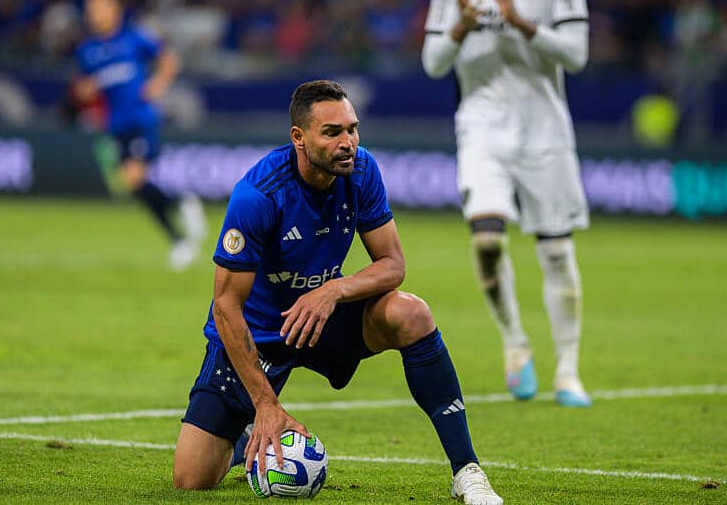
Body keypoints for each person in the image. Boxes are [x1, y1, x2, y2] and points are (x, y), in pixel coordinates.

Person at [172, 80, 504, 505]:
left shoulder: (361, 171)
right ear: (299, 138)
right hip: (256, 334)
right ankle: (247, 437)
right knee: (191, 478)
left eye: (352, 129)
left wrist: (332, 290)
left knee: (412, 315)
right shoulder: (257, 196)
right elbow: (226, 306)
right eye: (332, 133)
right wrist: (265, 404)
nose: (347, 142)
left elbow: (393, 264)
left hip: (321, 319)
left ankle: (467, 472)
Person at [421, 0, 592, 407]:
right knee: (488, 242)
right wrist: (461, 26)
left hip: (545, 132)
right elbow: (433, 63)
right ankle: (515, 344)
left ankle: (568, 371)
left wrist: (519, 21)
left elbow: (576, 55)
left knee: (556, 253)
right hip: (481, 127)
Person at [74, 0, 205, 271]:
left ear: (115, 10)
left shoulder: (134, 38)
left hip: (141, 119)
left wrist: (157, 85)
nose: (94, 14)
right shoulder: (88, 51)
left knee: (134, 178)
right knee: (133, 185)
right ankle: (181, 205)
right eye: (91, 9)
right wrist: (87, 93)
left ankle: (179, 240)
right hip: (115, 124)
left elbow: (170, 60)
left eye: (100, 7)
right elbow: (84, 88)